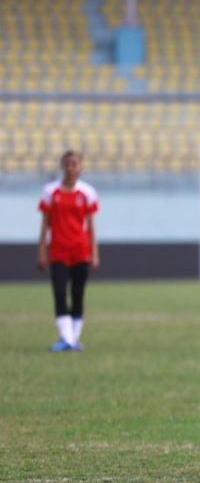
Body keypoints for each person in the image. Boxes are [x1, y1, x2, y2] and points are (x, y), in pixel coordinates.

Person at [37, 151, 99, 352]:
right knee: (59, 292)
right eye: (67, 164)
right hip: (58, 250)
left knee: (78, 293)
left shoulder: (87, 192)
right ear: (62, 166)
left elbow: (91, 226)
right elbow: (45, 225)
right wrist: (41, 251)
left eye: (75, 163)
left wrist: (94, 254)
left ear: (81, 167)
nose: (71, 167)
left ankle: (72, 338)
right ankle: (67, 339)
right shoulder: (50, 191)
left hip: (81, 250)